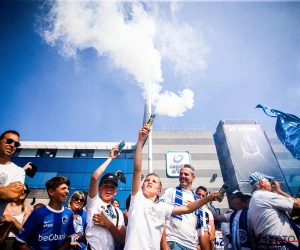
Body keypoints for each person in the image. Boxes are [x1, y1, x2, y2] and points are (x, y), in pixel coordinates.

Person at [124, 125, 220, 250]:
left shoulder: (163, 208)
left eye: (154, 181)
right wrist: (141, 141)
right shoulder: (138, 200)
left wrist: (209, 198)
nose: (149, 182)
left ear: (159, 191)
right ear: (140, 187)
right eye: (146, 180)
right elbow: (137, 169)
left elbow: (187, 208)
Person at [13, 176, 75, 250]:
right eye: (63, 188)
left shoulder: (68, 213)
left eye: (68, 188)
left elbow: (68, 238)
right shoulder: (38, 213)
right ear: (51, 192)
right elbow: (18, 244)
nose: (67, 191)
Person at [160, 164, 210, 250]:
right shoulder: (171, 192)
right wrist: (164, 244)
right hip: (174, 242)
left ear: (193, 178)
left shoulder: (198, 201)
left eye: (186, 174)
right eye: (181, 174)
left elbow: (202, 231)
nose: (182, 176)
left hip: (192, 245)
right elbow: (160, 216)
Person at [85, 146, 126, 250]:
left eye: (112, 187)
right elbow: (95, 177)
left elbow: (123, 240)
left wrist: (108, 224)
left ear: (116, 192)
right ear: (99, 188)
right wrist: (110, 158)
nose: (108, 189)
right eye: (105, 186)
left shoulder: (118, 212)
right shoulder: (94, 202)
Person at [249, 172, 300, 249]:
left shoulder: (255, 198)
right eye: (268, 181)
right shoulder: (265, 195)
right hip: (281, 245)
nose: (270, 184)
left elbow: (291, 213)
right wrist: (278, 191)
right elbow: (298, 206)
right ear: (261, 182)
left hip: (268, 244)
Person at [0, 130, 26, 218]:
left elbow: (13, 194)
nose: (12, 145)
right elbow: (7, 193)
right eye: (9, 141)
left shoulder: (18, 171)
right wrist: (6, 189)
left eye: (16, 144)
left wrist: (9, 191)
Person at [1, 184, 31, 249]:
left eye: (25, 191)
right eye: (20, 190)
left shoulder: (26, 210)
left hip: (13, 241)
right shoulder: (2, 206)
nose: (23, 193)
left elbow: (24, 230)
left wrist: (13, 220)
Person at [195, 186, 216, 250]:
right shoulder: (188, 209)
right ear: (194, 194)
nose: (200, 197)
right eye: (198, 194)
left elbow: (212, 234)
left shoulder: (208, 212)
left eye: (203, 196)